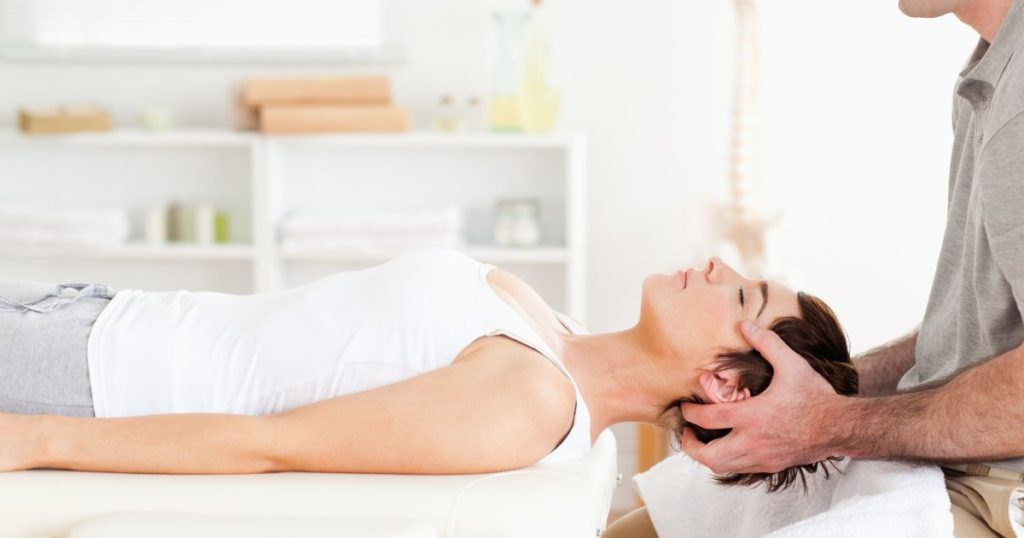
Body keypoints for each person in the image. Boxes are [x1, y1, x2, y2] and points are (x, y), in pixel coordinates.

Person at [610, 0, 1024, 536]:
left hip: (999, 493)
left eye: (748, 295)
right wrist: (823, 392)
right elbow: (977, 332)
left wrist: (825, 423)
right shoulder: (992, 71)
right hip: (934, 468)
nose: (715, 266)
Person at [0, 248, 851, 487]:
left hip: (80, 379)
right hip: (98, 315)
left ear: (723, 384)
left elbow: (272, 444)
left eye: (743, 296)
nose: (718, 266)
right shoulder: (552, 331)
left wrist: (35, 441)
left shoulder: (529, 403)